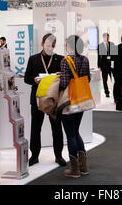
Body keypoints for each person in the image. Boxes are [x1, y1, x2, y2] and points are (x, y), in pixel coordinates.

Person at [24, 34, 66, 167]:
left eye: (53, 45)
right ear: (42, 44)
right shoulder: (33, 59)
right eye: (48, 45)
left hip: (54, 99)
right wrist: (34, 79)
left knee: (57, 128)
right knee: (35, 128)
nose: (50, 47)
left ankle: (58, 156)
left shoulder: (60, 59)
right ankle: (34, 156)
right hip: (37, 98)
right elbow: (26, 78)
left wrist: (61, 75)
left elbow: (66, 79)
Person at [59, 35, 91, 178]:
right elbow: (88, 79)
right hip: (81, 100)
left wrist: (58, 79)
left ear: (69, 45)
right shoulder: (85, 59)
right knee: (76, 132)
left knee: (70, 134)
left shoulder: (66, 60)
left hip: (69, 101)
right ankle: (83, 167)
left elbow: (64, 83)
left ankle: (75, 169)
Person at [97, 33, 116, 98]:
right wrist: (99, 66)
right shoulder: (100, 45)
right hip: (104, 65)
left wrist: (114, 64)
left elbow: (114, 55)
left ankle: (114, 92)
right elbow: (99, 56)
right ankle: (107, 92)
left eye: (108, 37)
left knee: (113, 79)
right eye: (105, 37)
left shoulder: (112, 44)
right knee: (104, 80)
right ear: (103, 37)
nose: (107, 38)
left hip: (111, 65)